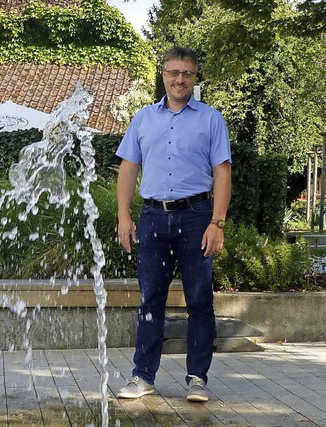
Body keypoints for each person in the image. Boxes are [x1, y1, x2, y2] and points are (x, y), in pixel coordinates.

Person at [115, 46, 231, 403]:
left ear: (195, 78)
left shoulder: (211, 119)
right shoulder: (143, 118)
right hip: (152, 218)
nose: (180, 79)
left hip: (197, 217)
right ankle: (142, 377)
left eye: (187, 73)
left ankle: (197, 379)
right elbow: (128, 169)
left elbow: (222, 172)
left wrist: (218, 223)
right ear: (163, 75)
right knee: (150, 299)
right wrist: (123, 215)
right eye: (173, 72)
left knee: (199, 300)